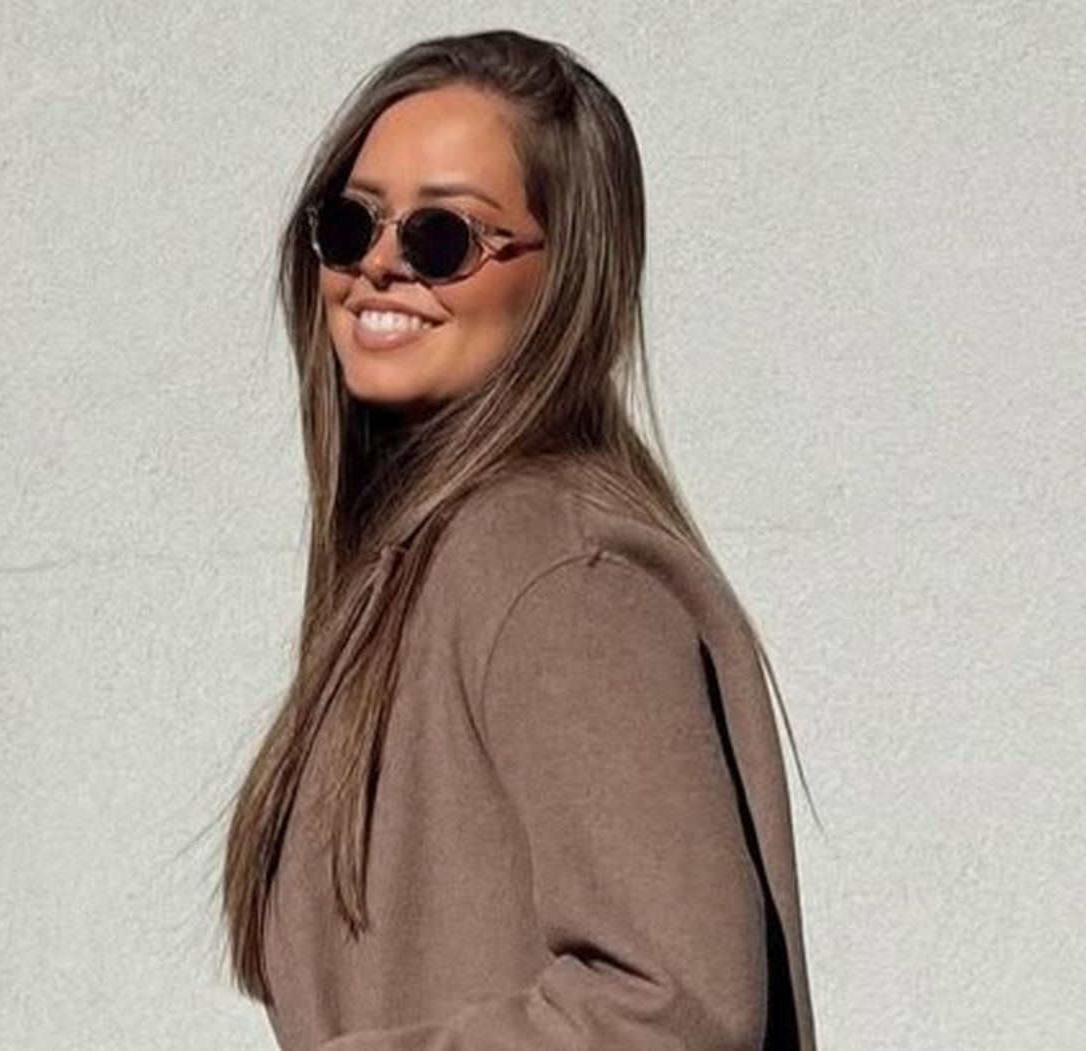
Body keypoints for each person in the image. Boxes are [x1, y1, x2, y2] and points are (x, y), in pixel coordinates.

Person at [221, 28, 818, 1050]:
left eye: (441, 237)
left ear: (564, 276)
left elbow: (675, 1007)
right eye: (350, 225)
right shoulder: (424, 570)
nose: (379, 266)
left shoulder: (556, 569)